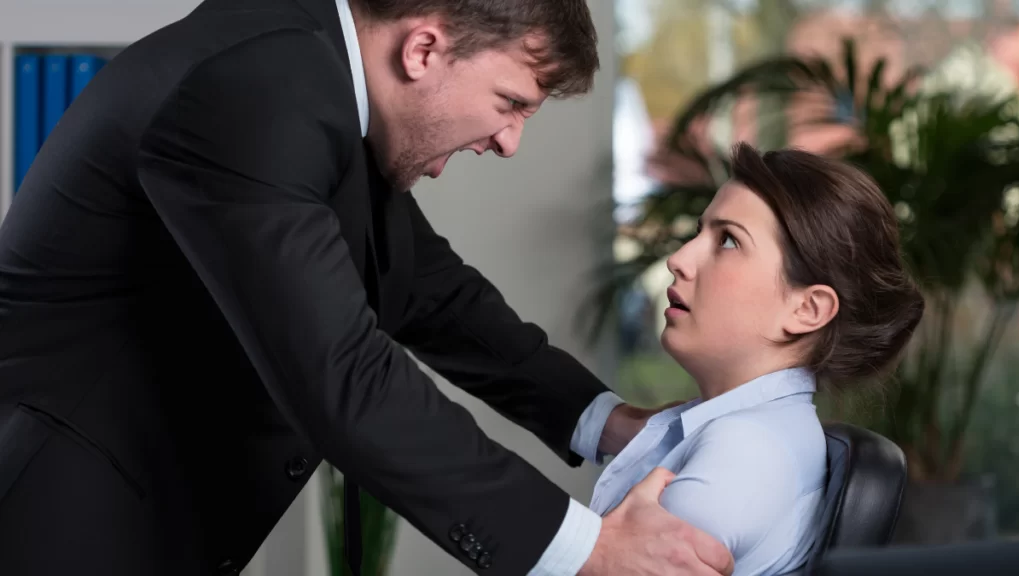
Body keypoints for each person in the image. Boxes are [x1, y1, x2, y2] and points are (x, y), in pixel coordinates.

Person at [0, 1, 735, 575]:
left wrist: (607, 424)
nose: (509, 142)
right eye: (511, 102)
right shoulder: (263, 84)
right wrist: (586, 550)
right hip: (61, 523)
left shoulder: (308, 71)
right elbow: (341, 372)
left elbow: (429, 291)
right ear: (424, 49)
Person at [588, 143, 925, 576]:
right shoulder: (764, 433)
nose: (678, 260)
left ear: (807, 309)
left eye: (728, 240)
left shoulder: (743, 453)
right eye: (700, 232)